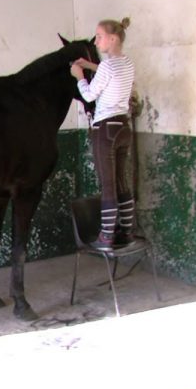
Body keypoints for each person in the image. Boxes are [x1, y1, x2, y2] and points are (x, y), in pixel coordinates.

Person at [70, 17, 136, 251]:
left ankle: (106, 236)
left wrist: (79, 76)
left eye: (99, 37)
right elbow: (109, 74)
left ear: (113, 38)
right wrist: (90, 66)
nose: (96, 42)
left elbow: (89, 95)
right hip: (123, 126)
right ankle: (126, 231)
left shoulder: (107, 66)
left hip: (105, 129)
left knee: (108, 185)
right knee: (121, 182)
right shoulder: (126, 63)